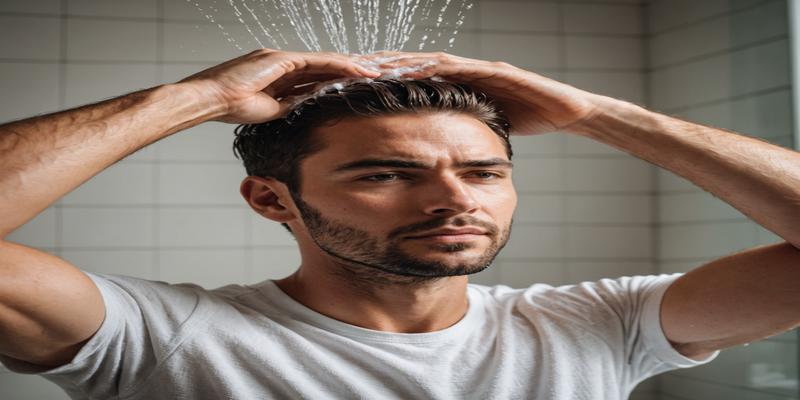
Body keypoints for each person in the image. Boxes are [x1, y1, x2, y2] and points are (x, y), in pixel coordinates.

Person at [0, 49, 797, 399]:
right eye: (386, 174)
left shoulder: (600, 325)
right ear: (271, 200)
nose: (455, 200)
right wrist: (193, 98)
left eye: (484, 171)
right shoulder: (159, 337)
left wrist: (596, 112)